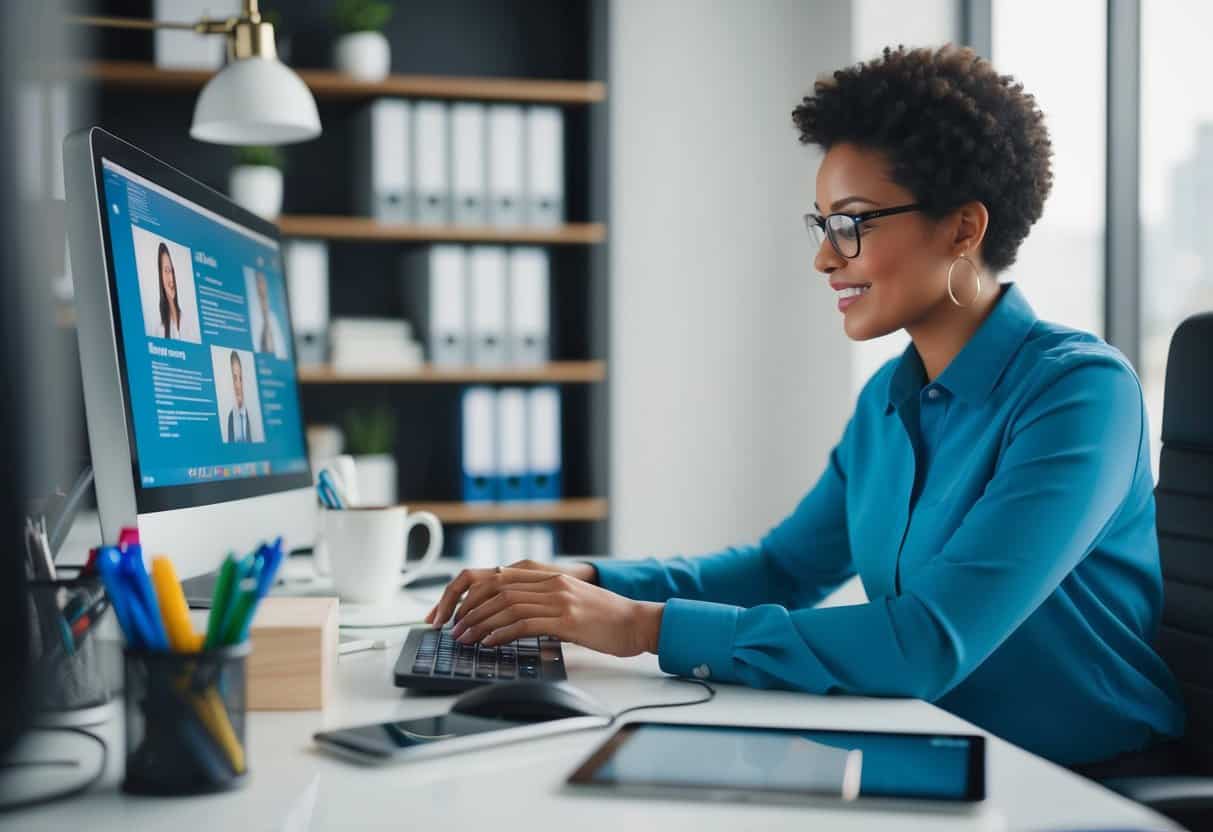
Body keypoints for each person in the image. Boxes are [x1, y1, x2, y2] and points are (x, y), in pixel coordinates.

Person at [425, 45, 1184, 768]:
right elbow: (781, 569)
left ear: (961, 226)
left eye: (851, 223)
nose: (825, 256)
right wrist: (580, 581)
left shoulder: (1079, 394)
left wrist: (634, 627)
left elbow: (925, 643)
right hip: (933, 749)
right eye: (822, 225)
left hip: (1083, 783)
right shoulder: (891, 397)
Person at [252, 271, 287, 359]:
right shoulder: (252, 317)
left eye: (263, 282)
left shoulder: (272, 317)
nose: (262, 286)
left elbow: (282, 353)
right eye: (259, 282)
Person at [156, 242, 183, 340]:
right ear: (161, 277)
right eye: (166, 271)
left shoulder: (188, 321)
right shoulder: (160, 331)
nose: (171, 278)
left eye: (171, 271)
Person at [225, 350, 252, 443]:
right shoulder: (230, 417)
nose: (238, 385)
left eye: (240, 378)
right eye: (234, 378)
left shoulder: (248, 414)